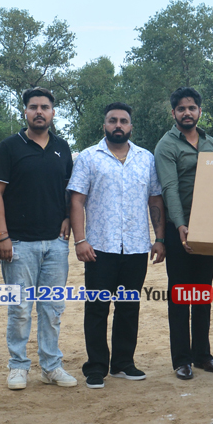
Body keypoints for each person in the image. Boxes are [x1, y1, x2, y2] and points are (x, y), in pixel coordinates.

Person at [67, 102, 165, 389]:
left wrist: (159, 238)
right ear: (104, 125)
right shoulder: (88, 157)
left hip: (136, 247)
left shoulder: (146, 159)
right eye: (113, 120)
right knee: (97, 309)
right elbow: (77, 200)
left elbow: (155, 199)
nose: (118, 125)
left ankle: (123, 363)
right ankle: (96, 367)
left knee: (129, 308)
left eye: (123, 121)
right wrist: (80, 240)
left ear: (131, 126)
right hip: (99, 248)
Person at [0, 87, 78, 390]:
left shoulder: (62, 147)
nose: (39, 111)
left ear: (53, 112)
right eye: (33, 106)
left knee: (52, 309)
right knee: (20, 309)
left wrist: (67, 217)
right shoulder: (10, 147)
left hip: (55, 243)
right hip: (19, 243)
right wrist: (2, 236)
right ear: (24, 111)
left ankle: (51, 366)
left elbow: (67, 189)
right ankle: (18, 366)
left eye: (45, 107)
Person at [154, 87, 213, 380]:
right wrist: (181, 226)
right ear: (173, 113)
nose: (187, 113)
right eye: (181, 108)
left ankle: (202, 355)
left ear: (199, 111)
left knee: (203, 292)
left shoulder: (211, 143)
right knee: (181, 294)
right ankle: (181, 359)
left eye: (192, 108)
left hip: (207, 228)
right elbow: (169, 188)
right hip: (178, 228)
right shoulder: (166, 145)